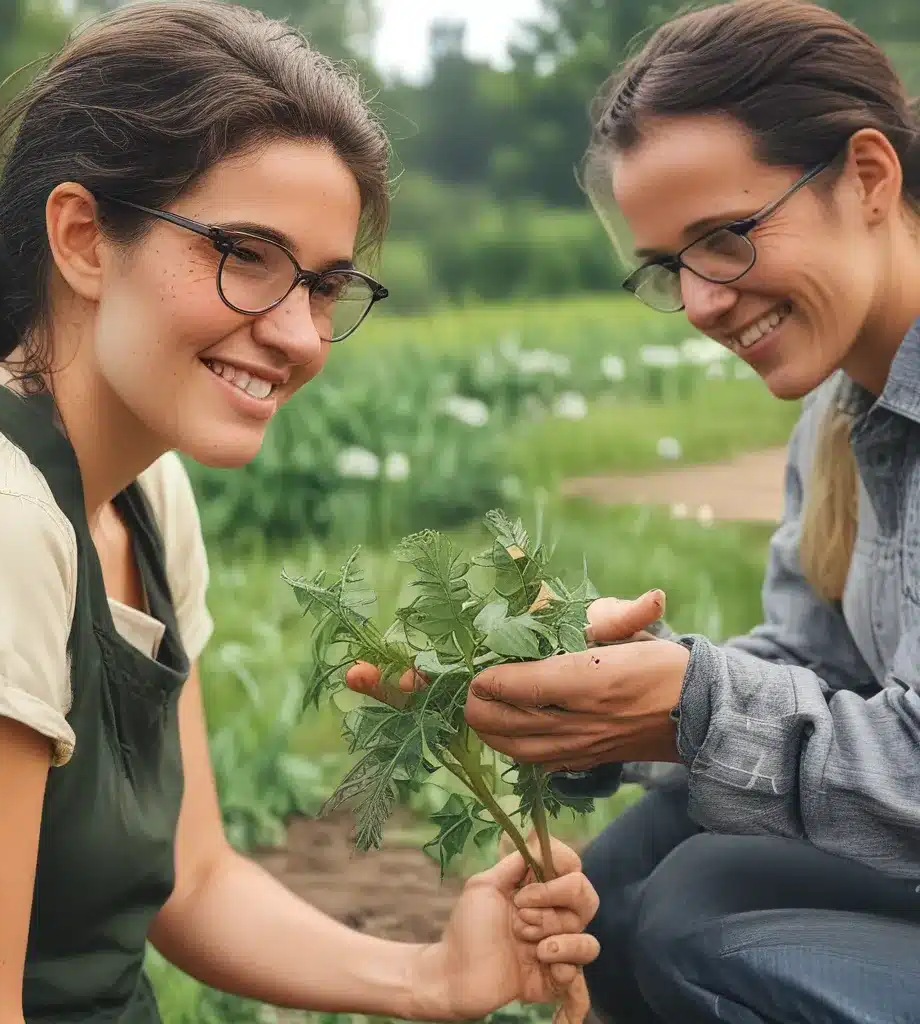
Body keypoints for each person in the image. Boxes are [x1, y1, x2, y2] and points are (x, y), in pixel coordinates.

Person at [0, 2, 601, 1021]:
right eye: (246, 255)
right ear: (84, 239)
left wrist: (432, 975)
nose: (299, 334)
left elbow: (194, 880)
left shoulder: (141, 489)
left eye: (324, 284)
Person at [350, 1, 920, 1021]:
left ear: (867, 178)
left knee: (696, 925)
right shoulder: (841, 416)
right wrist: (610, 704)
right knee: (614, 885)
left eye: (725, 237)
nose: (700, 302)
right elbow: (829, 670)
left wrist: (691, 708)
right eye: (669, 266)